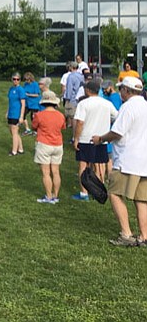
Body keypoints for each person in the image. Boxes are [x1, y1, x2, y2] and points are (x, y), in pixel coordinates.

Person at [91, 76, 147, 246]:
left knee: (114, 193)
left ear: (127, 90)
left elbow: (117, 132)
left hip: (127, 159)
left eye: (122, 88)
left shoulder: (128, 107)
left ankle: (126, 234)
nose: (120, 91)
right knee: (142, 199)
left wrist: (101, 138)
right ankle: (144, 236)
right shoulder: (145, 105)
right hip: (144, 160)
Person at [72, 80, 119, 199]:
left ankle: (84, 192)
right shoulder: (106, 103)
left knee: (84, 165)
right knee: (99, 164)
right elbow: (117, 116)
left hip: (86, 138)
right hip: (102, 138)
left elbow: (80, 123)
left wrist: (76, 138)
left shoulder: (84, 104)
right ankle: (99, 190)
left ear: (87, 90)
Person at [31, 91, 66, 204]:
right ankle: (55, 195)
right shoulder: (60, 115)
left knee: (46, 173)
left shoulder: (39, 115)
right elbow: (63, 127)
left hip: (44, 143)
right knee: (56, 171)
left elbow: (34, 127)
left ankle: (49, 196)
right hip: (57, 144)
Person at [7, 72, 26, 156]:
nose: (15, 81)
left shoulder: (20, 90)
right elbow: (10, 102)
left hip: (16, 113)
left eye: (17, 79)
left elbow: (23, 104)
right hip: (11, 112)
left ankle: (14, 151)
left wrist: (21, 116)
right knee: (12, 131)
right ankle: (20, 148)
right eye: (14, 79)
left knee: (15, 131)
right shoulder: (11, 89)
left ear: (20, 80)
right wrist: (7, 111)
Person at [62, 61, 84, 132]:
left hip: (72, 98)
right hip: (80, 97)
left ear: (71, 67)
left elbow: (69, 88)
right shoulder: (81, 76)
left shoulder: (71, 76)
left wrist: (67, 98)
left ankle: (73, 131)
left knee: (72, 116)